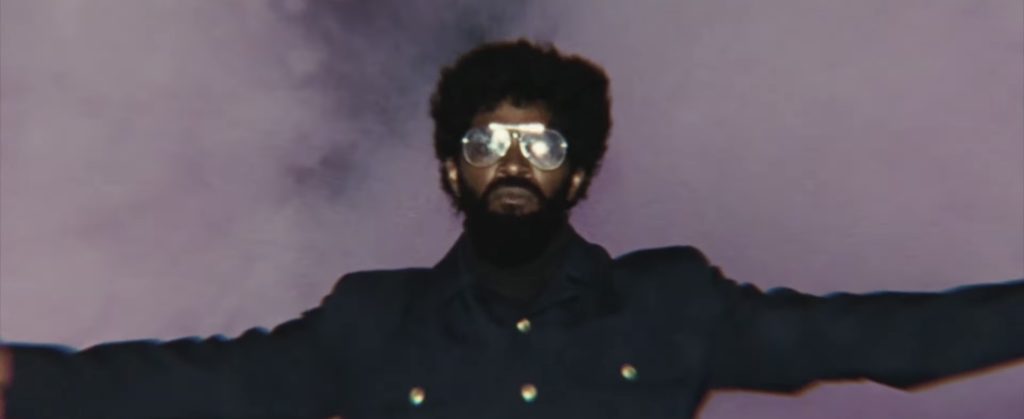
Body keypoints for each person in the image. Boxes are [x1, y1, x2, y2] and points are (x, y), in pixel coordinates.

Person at [0, 39, 1021, 419]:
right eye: (489, 142)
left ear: (579, 170)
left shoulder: (672, 304)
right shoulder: (374, 319)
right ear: (454, 169)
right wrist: (23, 380)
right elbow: (214, 384)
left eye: (541, 144)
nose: (515, 163)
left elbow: (877, 334)